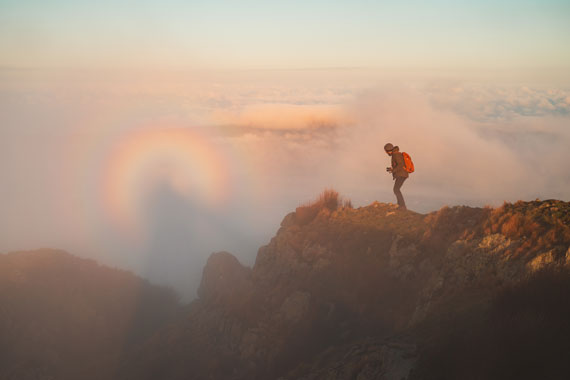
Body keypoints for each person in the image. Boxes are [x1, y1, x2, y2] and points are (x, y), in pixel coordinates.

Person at [384, 143, 408, 210]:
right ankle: (400, 205)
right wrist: (392, 169)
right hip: (402, 174)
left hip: (402, 174)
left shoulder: (396, 154)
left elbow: (400, 164)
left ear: (388, 150)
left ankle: (402, 206)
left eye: (386, 151)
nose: (386, 153)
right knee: (396, 189)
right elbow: (399, 164)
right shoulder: (396, 154)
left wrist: (393, 170)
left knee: (396, 189)